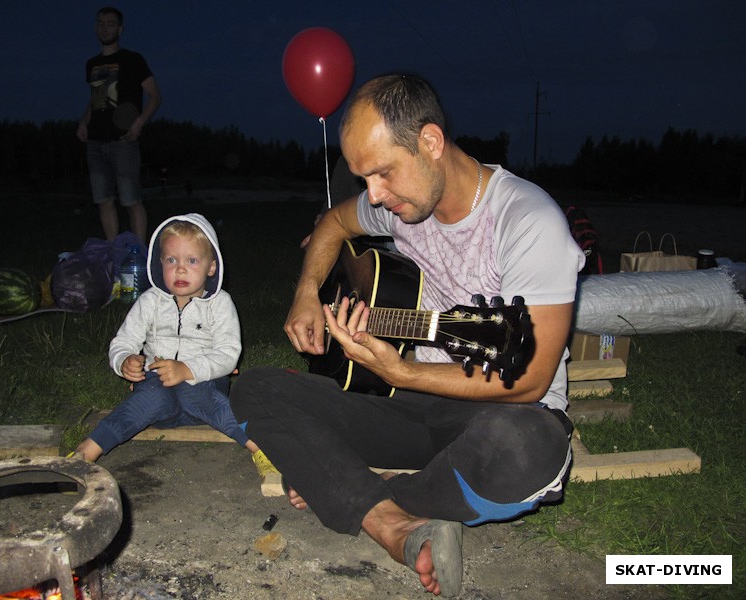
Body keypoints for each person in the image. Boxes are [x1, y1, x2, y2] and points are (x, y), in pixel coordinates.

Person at [231, 74, 585, 597]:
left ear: (431, 143)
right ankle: (389, 521)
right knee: (255, 388)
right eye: (363, 178)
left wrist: (400, 368)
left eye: (382, 173)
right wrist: (307, 292)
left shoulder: (528, 222)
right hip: (412, 407)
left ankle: (367, 490)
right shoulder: (401, 205)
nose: (374, 195)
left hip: (499, 412)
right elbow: (333, 222)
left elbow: (529, 379)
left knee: (524, 449)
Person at [72, 214, 272, 473]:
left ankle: (259, 446)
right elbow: (124, 341)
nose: (180, 268)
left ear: (211, 267)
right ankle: (86, 452)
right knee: (150, 399)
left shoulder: (220, 304)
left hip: (203, 389)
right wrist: (124, 361)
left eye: (191, 260)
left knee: (194, 392)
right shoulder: (149, 301)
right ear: (159, 263)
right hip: (160, 396)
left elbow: (228, 353)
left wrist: (187, 370)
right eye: (171, 260)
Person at [76, 6, 161, 243]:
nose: (105, 28)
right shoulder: (91, 64)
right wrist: (84, 122)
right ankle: (113, 254)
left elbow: (155, 96)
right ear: (96, 28)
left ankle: (140, 254)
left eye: (110, 23)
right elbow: (95, 99)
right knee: (104, 201)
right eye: (101, 23)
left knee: (132, 201)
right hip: (95, 141)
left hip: (123, 142)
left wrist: (139, 123)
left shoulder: (133, 60)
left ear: (120, 29)